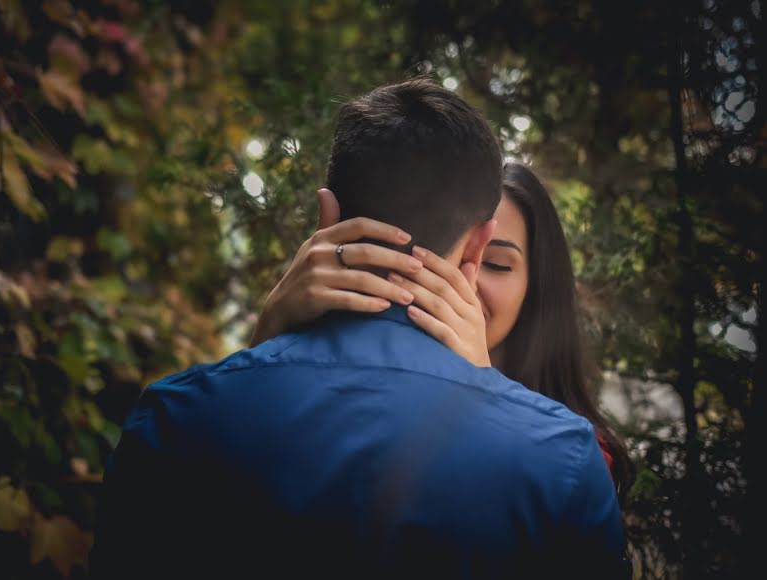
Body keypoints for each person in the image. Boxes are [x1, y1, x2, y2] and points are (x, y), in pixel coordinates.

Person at [91, 78, 629, 579]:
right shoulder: (560, 459)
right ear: (477, 242)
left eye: (504, 268)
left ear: (327, 216)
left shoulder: (173, 416)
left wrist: (262, 361)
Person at [251, 163, 634, 503]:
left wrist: (487, 393)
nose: (462, 284)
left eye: (497, 264)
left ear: (537, 289)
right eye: (446, 253)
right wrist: (264, 343)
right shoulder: (343, 397)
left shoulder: (574, 458)